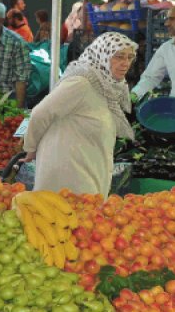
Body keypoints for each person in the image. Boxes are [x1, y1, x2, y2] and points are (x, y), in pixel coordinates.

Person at [23, 32, 138, 195]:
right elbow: (41, 113)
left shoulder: (107, 86)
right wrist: (31, 148)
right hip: (69, 179)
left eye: (130, 57)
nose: (125, 63)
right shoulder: (81, 83)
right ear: (102, 55)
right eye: (119, 57)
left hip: (87, 172)